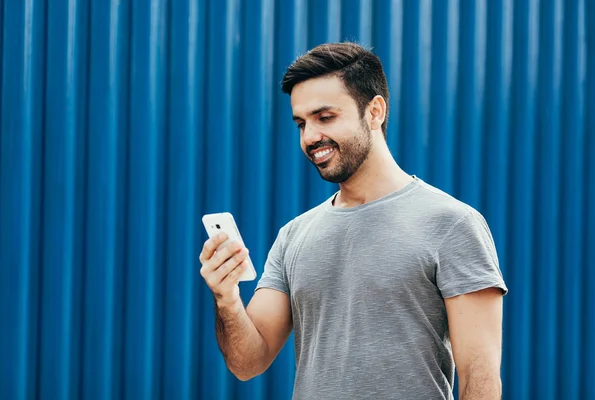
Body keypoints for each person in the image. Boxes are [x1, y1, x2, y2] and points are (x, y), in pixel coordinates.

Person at [199, 42, 508, 400]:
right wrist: (227, 298)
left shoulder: (452, 224)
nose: (311, 137)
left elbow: (480, 378)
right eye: (301, 123)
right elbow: (247, 362)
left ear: (374, 111)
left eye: (325, 117)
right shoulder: (294, 235)